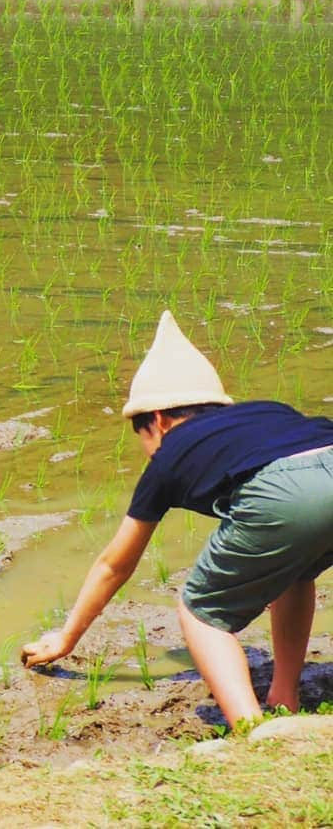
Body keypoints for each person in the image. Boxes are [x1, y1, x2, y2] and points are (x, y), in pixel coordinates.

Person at [21, 310, 333, 727]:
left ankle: (255, 730)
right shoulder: (267, 411)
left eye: (143, 438)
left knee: (200, 610)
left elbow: (116, 563)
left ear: (160, 421)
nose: (147, 451)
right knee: (295, 572)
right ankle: (284, 697)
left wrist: (66, 638)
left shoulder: (169, 455)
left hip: (285, 492)